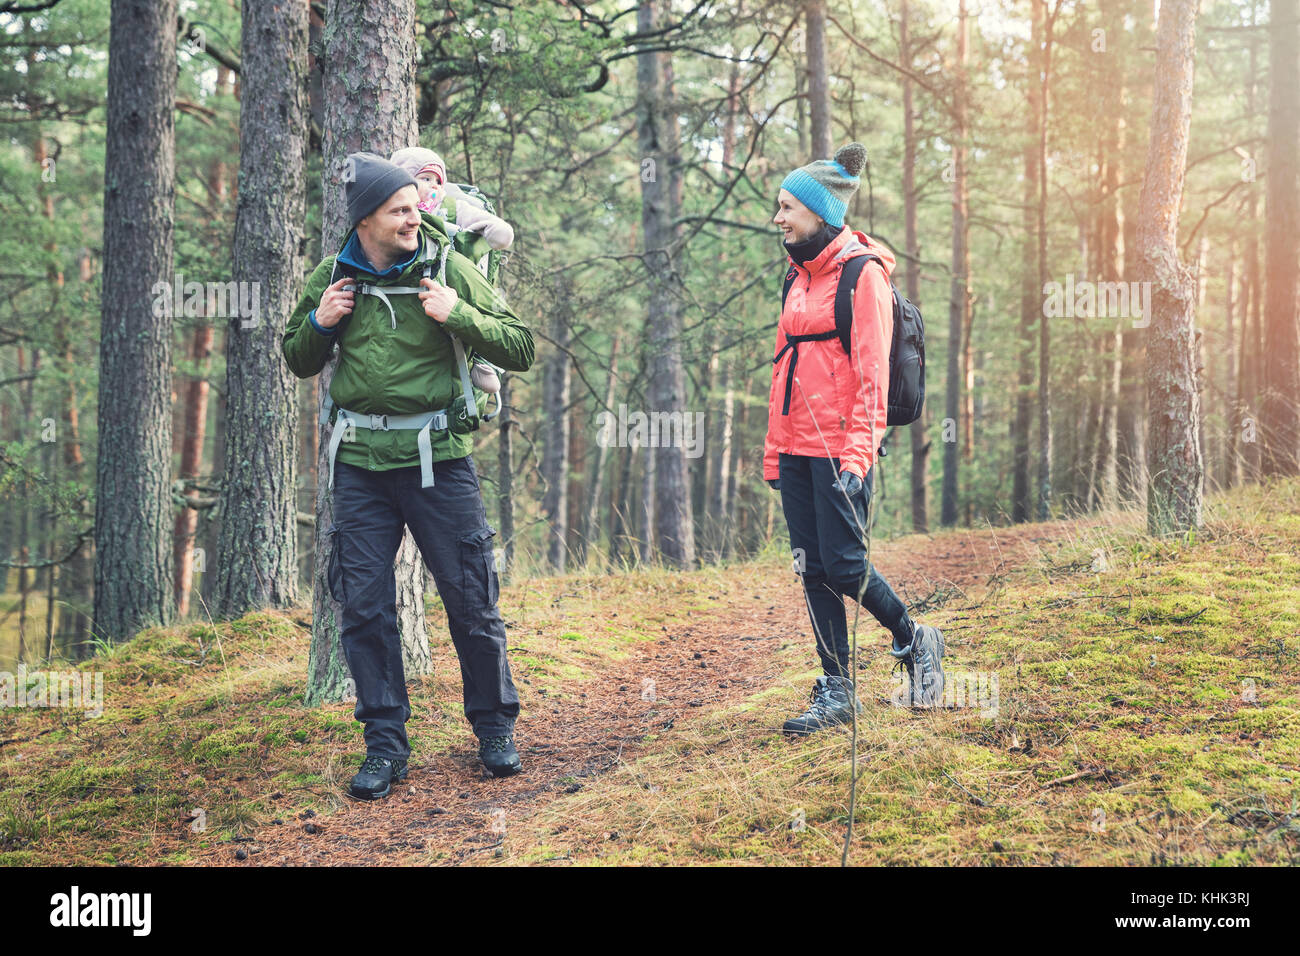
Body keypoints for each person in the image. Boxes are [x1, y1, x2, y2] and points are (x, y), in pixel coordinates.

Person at [281, 152, 535, 799]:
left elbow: (521, 346)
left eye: (415, 208)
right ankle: (386, 747)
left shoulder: (447, 265)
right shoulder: (334, 275)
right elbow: (296, 356)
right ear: (366, 218)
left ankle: (495, 731)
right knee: (364, 609)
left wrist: (460, 315)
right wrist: (320, 321)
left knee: (471, 601)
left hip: (439, 462)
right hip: (360, 470)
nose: (413, 218)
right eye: (399, 210)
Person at [763, 142, 946, 735]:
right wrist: (774, 450)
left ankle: (915, 639)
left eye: (788, 207)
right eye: (779, 207)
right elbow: (782, 366)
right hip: (794, 448)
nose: (779, 218)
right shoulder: (796, 275)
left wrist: (858, 456)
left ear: (820, 212)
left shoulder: (862, 277)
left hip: (840, 450)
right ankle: (838, 688)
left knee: (845, 567)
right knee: (810, 568)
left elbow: (871, 377)